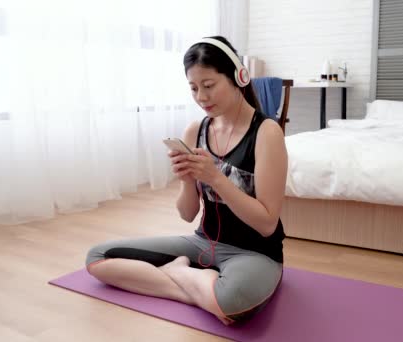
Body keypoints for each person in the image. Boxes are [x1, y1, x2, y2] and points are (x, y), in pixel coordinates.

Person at [86, 36, 288, 325]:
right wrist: (186, 180)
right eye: (193, 88)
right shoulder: (196, 130)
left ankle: (180, 274)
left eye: (208, 85)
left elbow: (267, 223)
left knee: (231, 301)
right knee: (98, 258)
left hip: (255, 253)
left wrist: (215, 178)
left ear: (238, 77)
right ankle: (196, 286)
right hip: (202, 243)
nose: (201, 97)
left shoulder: (267, 132)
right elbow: (187, 213)